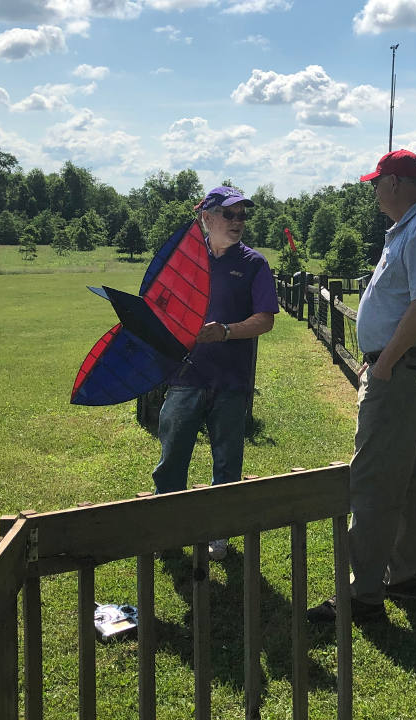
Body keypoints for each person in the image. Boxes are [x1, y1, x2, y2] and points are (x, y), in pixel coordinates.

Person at [308, 149, 416, 623]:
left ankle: (362, 594)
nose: (373, 191)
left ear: (394, 183)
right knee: (404, 476)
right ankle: (403, 577)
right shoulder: (412, 227)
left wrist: (385, 362)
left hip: (400, 371)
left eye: (376, 182)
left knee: (371, 479)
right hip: (405, 369)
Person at [152, 186, 279, 560]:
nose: (238, 222)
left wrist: (224, 331)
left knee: (227, 462)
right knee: (171, 460)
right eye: (230, 214)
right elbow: (161, 306)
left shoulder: (254, 264)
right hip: (184, 378)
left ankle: (218, 536)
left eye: (242, 215)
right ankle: (168, 532)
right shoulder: (185, 261)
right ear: (206, 218)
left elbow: (265, 319)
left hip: (230, 382)